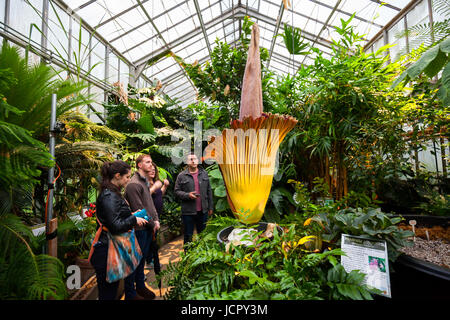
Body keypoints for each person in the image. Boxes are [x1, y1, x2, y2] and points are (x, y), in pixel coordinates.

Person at [90, 160, 148, 300]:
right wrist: (133, 220)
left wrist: (132, 215)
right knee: (108, 294)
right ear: (117, 175)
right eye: (127, 177)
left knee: (111, 291)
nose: (129, 180)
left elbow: (114, 217)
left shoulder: (112, 193)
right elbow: (115, 226)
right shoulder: (109, 196)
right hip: (107, 251)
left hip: (109, 249)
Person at [124, 154, 160, 300]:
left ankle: (140, 287)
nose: (151, 165)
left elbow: (150, 205)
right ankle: (130, 294)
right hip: (139, 230)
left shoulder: (144, 182)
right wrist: (153, 223)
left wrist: (156, 220)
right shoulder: (133, 184)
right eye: (147, 162)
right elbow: (140, 210)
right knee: (134, 262)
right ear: (139, 165)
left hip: (147, 228)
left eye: (151, 162)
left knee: (141, 261)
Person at [174, 153, 214, 247]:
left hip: (203, 211)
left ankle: (201, 254)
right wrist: (188, 195)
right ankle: (187, 256)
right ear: (187, 162)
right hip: (188, 212)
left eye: (195, 159)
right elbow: (176, 191)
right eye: (191, 159)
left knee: (202, 234)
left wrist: (210, 207)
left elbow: (209, 191)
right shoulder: (182, 176)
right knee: (188, 235)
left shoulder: (204, 173)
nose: (193, 161)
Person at [145, 162, 169, 286]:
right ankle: (149, 261)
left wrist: (164, 187)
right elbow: (145, 196)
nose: (153, 171)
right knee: (149, 239)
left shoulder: (156, 182)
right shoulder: (145, 184)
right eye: (151, 170)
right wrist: (154, 188)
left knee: (153, 238)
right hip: (148, 218)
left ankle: (151, 259)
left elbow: (160, 194)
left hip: (156, 217)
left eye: (154, 170)